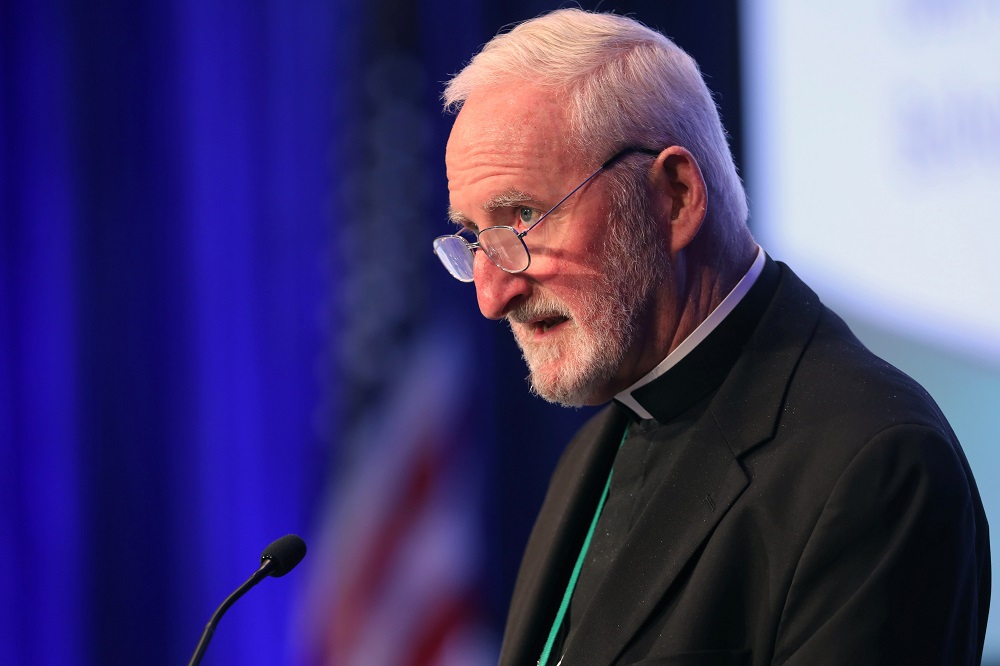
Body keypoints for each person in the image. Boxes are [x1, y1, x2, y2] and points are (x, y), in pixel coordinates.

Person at [432, 8, 990, 666]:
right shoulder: (592, 453)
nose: (494, 296)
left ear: (674, 195)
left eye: (524, 219)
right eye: (473, 239)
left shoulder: (873, 464)